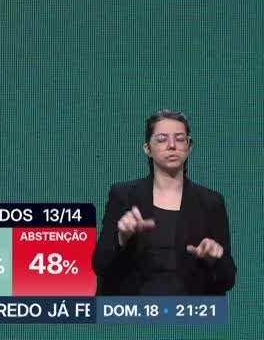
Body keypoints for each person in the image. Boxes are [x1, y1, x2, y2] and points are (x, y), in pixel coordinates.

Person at [92, 110, 236, 295]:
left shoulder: (211, 202)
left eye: (180, 139)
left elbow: (228, 279)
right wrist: (122, 238)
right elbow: (100, 265)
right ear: (147, 148)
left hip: (189, 308)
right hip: (135, 308)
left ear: (189, 146)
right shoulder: (124, 195)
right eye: (162, 139)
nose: (172, 145)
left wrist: (215, 258)